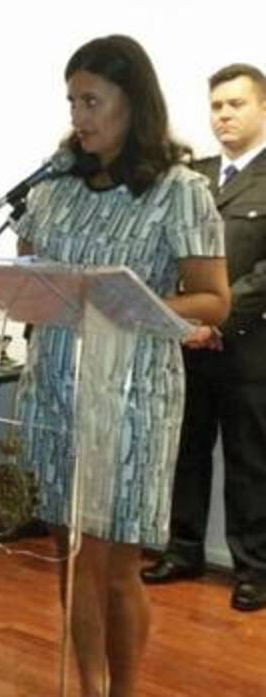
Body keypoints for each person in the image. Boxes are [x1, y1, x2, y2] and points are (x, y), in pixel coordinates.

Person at [13, 35, 229, 695]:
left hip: (132, 393)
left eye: (93, 100)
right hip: (54, 384)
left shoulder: (179, 190)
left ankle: (124, 691)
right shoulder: (55, 185)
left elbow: (213, 300)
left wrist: (120, 303)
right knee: (71, 557)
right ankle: (87, 686)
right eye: (72, 100)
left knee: (111, 563)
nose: (79, 115)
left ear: (133, 102)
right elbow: (29, 266)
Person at [141, 63, 266, 613]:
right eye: (216, 106)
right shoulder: (193, 177)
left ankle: (255, 570)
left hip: (248, 347)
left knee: (249, 460)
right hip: (186, 343)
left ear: (263, 108)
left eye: (235, 104)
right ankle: (183, 547)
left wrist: (214, 318)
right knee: (185, 451)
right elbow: (170, 255)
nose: (223, 115)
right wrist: (185, 322)